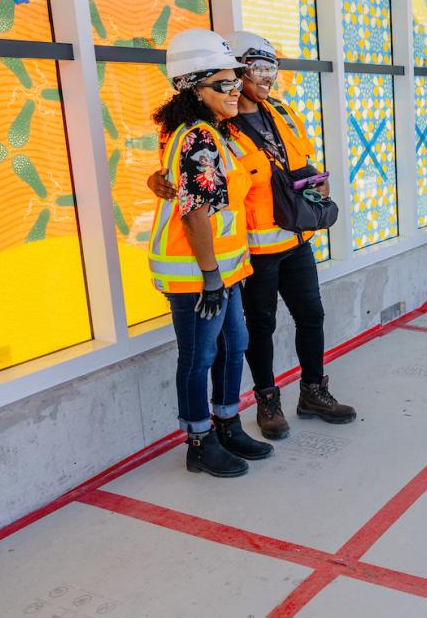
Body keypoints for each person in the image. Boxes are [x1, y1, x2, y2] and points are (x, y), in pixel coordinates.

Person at [149, 31, 356, 441]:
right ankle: (267, 401)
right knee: (257, 328)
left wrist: (317, 181)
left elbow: (300, 158)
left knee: (310, 316)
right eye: (256, 69)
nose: (267, 78)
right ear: (234, 74)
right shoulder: (215, 127)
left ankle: (313, 391)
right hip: (253, 250)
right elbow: (182, 176)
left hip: (295, 237)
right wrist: (154, 180)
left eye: (272, 68)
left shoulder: (278, 110)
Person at [150, 28, 274, 477]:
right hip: (198, 274)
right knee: (200, 356)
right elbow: (195, 214)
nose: (235, 89)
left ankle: (227, 423)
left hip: (224, 268)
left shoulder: (205, 133)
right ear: (192, 87)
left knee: (233, 344)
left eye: (235, 80)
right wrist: (210, 278)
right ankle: (199, 440)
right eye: (223, 83)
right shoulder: (197, 137)